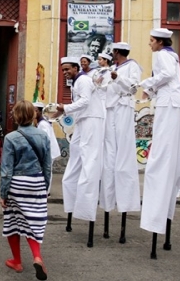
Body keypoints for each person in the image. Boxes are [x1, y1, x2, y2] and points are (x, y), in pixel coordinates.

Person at [139, 28, 180, 258]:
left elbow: (165, 75)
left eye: (151, 41)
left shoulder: (163, 55)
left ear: (159, 41)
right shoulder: (172, 54)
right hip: (171, 101)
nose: (150, 45)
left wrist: (146, 84)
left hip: (169, 102)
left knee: (163, 148)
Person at [55, 56, 105, 246]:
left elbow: (84, 102)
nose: (65, 72)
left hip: (91, 120)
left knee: (89, 163)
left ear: (76, 67)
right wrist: (63, 111)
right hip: (83, 122)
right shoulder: (77, 82)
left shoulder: (83, 80)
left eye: (67, 69)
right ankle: (73, 206)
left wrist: (64, 108)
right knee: (74, 165)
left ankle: (86, 207)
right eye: (63, 70)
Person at [0, 101, 52, 281]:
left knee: (13, 221)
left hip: (17, 183)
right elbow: (47, 165)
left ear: (16, 116)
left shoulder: (11, 137)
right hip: (36, 181)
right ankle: (37, 256)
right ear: (33, 115)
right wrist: (45, 187)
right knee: (34, 221)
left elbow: (6, 169)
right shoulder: (43, 136)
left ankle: (17, 260)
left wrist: (3, 194)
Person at [101, 42, 143, 243]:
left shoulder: (131, 66)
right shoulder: (113, 68)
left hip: (124, 108)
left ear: (118, 52)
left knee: (124, 155)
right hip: (110, 110)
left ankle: (125, 204)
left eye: (114, 52)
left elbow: (134, 88)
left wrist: (119, 78)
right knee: (109, 157)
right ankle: (107, 204)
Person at [33, 102, 62, 193]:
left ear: (37, 111)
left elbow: (46, 140)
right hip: (47, 151)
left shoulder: (43, 124)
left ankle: (47, 191)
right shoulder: (41, 122)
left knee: (47, 171)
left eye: (33, 110)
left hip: (49, 151)